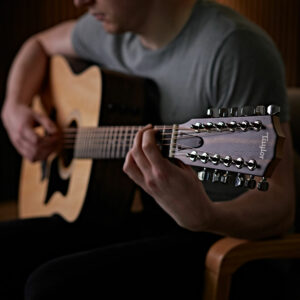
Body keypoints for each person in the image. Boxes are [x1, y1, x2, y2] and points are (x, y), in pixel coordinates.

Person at [0, 0, 295, 299]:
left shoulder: (235, 49)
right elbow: (37, 45)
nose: (80, 2)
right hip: (132, 214)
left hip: (214, 239)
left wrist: (207, 215)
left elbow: (280, 203)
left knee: (48, 287)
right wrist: (14, 107)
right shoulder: (109, 27)